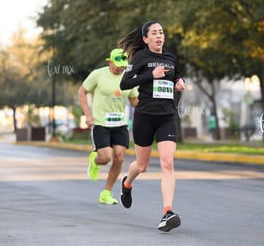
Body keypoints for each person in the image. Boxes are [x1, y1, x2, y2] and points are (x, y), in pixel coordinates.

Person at [118, 20, 185, 232]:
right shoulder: (140, 58)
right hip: (145, 117)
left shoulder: (171, 58)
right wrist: (150, 75)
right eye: (154, 33)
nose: (159, 36)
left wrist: (180, 85)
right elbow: (125, 83)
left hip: (166, 116)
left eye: (161, 32)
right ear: (146, 39)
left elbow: (176, 80)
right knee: (142, 165)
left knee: (168, 163)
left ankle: (167, 212)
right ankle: (127, 183)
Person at [78, 48, 139, 205]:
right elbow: (82, 92)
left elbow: (134, 100)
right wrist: (88, 115)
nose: (121, 68)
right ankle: (95, 161)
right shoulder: (98, 74)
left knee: (119, 157)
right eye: (118, 64)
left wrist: (146, 108)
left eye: (123, 64)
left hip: (120, 124)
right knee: (105, 158)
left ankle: (106, 193)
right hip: (100, 123)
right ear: (110, 62)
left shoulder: (128, 77)